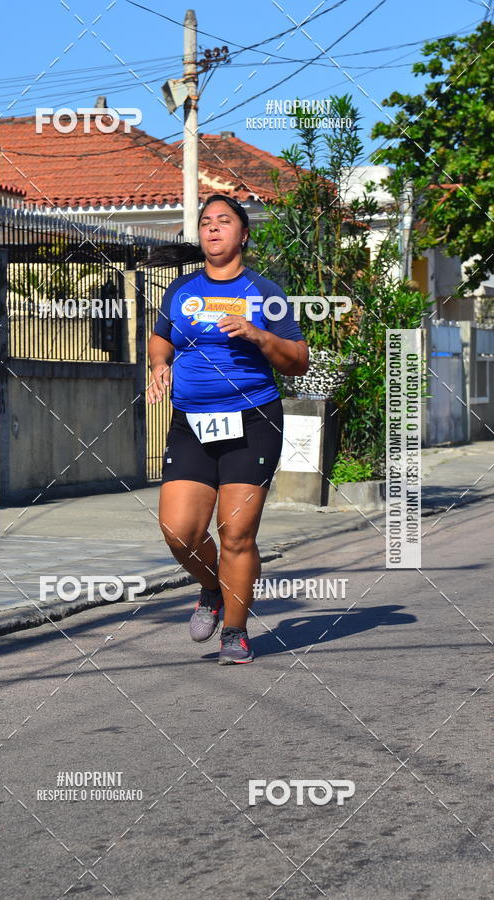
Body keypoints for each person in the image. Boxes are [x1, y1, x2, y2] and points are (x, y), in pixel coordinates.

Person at [147, 194, 309, 664]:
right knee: (179, 532)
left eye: (224, 221)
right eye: (205, 223)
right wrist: (160, 365)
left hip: (253, 421)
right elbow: (161, 338)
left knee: (236, 535)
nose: (213, 229)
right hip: (190, 423)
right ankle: (212, 588)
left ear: (243, 234)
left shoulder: (266, 292)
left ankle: (235, 631)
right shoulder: (180, 290)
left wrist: (260, 335)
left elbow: (298, 360)